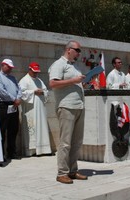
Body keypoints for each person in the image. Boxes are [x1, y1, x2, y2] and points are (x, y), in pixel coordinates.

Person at [49, 40, 87, 184]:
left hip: (79, 106)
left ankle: (72, 170)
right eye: (77, 50)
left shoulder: (75, 66)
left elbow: (74, 82)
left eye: (79, 50)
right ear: (69, 49)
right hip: (66, 107)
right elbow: (53, 83)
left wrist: (82, 82)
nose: (79, 53)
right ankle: (62, 173)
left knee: (77, 141)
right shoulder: (59, 64)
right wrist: (73, 80)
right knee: (65, 142)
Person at [19, 62, 52, 156]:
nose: (35, 73)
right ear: (29, 70)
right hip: (31, 109)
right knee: (32, 128)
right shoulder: (24, 80)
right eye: (34, 71)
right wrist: (33, 91)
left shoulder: (39, 80)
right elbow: (21, 93)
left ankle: (43, 149)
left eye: (37, 72)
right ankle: (32, 150)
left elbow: (46, 91)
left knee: (41, 127)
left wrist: (42, 92)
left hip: (40, 109)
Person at [0, 59, 22, 160]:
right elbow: (1, 92)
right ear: (2, 65)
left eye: (11, 67)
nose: (10, 69)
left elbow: (19, 89)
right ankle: (1, 154)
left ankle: (12, 152)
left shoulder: (13, 78)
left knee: (13, 129)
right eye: (8, 67)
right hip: (3, 105)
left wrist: (18, 98)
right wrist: (14, 99)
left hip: (14, 105)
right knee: (2, 129)